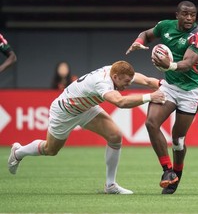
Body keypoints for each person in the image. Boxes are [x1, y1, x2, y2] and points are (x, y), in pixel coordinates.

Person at [8, 60, 166, 194]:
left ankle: (110, 185)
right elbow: (121, 102)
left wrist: (164, 85)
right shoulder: (103, 82)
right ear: (115, 77)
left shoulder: (116, 71)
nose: (126, 87)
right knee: (51, 149)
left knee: (115, 136)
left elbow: (146, 81)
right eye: (124, 83)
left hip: (85, 108)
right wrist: (150, 97)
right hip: (65, 111)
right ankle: (18, 152)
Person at [125, 1, 198, 194]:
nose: (189, 18)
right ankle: (167, 171)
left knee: (178, 140)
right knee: (151, 123)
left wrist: (169, 65)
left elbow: (187, 62)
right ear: (177, 14)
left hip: (190, 91)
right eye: (185, 14)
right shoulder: (165, 26)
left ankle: (177, 175)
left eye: (192, 15)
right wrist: (139, 41)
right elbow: (146, 34)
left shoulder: (197, 37)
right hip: (169, 87)